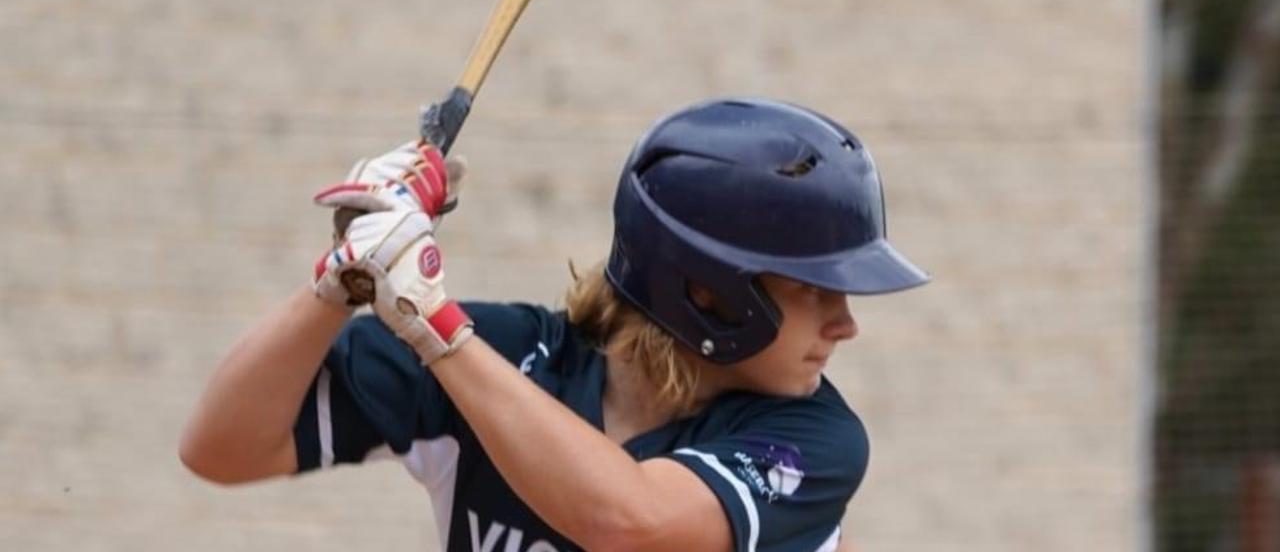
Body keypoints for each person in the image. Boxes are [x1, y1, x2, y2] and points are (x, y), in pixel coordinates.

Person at [180, 97, 928, 552]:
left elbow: (628, 523)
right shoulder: (512, 359)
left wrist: (432, 323)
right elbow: (221, 448)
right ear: (709, 293)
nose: (845, 325)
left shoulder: (813, 441)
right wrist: (342, 280)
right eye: (814, 290)